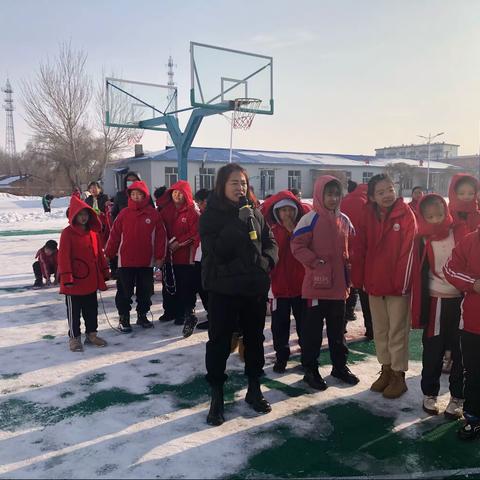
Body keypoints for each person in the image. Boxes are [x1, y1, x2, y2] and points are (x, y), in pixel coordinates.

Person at [200, 163, 278, 426]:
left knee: (254, 340)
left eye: (243, 183)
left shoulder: (255, 212)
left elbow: (270, 242)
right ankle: (217, 394)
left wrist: (266, 263)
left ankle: (254, 388)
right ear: (222, 186)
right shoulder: (211, 215)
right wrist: (237, 224)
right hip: (224, 289)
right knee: (219, 341)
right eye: (234, 183)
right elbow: (216, 250)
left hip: (253, 288)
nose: (240, 188)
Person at [351, 173, 417, 399]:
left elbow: (408, 252)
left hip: (398, 286)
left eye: (390, 189)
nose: (387, 195)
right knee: (380, 329)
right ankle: (386, 369)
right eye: (381, 192)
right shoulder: (367, 215)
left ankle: (398, 375)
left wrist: (401, 283)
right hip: (374, 283)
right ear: (372, 197)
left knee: (397, 330)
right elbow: (360, 247)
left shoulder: (406, 215)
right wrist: (359, 278)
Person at [292, 176, 359, 390]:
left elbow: (352, 245)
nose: (333, 198)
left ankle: (339, 366)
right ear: (320, 194)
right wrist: (314, 262)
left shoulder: (345, 220)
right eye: (329, 194)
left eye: (336, 194)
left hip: (339, 288)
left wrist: (350, 265)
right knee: (312, 333)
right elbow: (297, 245)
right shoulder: (309, 219)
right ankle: (310, 370)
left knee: (338, 332)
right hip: (316, 287)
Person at [411, 194, 464, 418]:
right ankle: (429, 393)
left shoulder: (459, 231)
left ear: (446, 211)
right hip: (436, 301)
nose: (435, 220)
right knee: (433, 349)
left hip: (461, 300)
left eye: (439, 215)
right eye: (430, 216)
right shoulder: (421, 239)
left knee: (461, 350)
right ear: (423, 217)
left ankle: (458, 397)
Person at [105, 181, 166, 332]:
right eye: (133, 194)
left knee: (145, 291)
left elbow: (160, 237)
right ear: (129, 196)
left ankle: (142, 315)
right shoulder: (124, 214)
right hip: (126, 261)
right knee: (124, 291)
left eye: (139, 194)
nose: (136, 197)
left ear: (145, 196)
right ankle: (124, 317)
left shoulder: (153, 214)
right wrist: (109, 253)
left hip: (145, 261)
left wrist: (159, 257)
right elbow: (114, 235)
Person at [57, 195, 110, 352]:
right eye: (80, 214)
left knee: (91, 309)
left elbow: (99, 254)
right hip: (74, 282)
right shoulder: (67, 233)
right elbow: (63, 256)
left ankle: (91, 334)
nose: (83, 218)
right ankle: (74, 338)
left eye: (86, 214)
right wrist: (67, 276)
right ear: (73, 215)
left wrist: (104, 270)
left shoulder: (93, 233)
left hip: (91, 280)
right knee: (74, 312)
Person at [262, 190, 306, 373]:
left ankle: (308, 355)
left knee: (305, 323)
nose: (287, 214)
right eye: (283, 210)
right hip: (279, 288)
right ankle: (282, 356)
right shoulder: (272, 231)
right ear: (276, 213)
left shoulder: (303, 229)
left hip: (301, 287)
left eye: (290, 210)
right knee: (280, 325)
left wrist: (293, 232)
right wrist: (286, 232)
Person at [444, 228, 480, 440]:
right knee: (474, 373)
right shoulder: (470, 240)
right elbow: (450, 268)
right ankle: (474, 418)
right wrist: (473, 284)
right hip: (473, 325)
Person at [157, 180, 200, 337]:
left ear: (186, 195)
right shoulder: (165, 211)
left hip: (185, 257)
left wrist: (179, 243)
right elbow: (159, 229)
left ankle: (183, 313)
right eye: (175, 192)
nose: (177, 195)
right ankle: (169, 311)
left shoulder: (192, 212)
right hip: (168, 256)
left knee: (185, 286)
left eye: (180, 193)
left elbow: (195, 233)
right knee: (168, 284)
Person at [340, 182, 373, 338]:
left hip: (346, 250)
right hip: (364, 252)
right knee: (365, 292)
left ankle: (343, 323)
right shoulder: (368, 204)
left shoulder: (344, 201)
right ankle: (371, 327)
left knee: (348, 288)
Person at [193, 188, 211, 330]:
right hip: (200, 255)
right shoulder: (203, 214)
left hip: (209, 257)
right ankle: (211, 314)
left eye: (199, 202)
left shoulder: (213, 215)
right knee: (201, 286)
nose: (198, 205)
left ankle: (214, 316)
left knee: (208, 288)